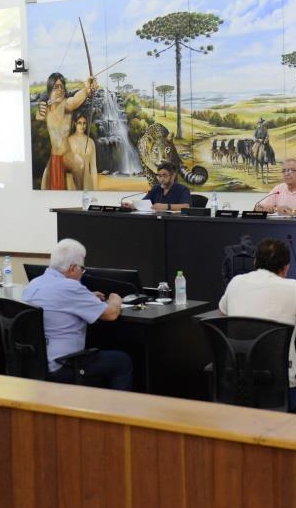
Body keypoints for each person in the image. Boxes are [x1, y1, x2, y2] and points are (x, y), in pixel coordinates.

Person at [218, 238, 296, 417]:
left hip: (239, 386)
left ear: (255, 262)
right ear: (286, 268)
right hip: (282, 392)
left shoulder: (236, 282)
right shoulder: (293, 288)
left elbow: (222, 314)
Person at [22, 239, 132, 391]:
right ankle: (117, 414)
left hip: (34, 364)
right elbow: (111, 314)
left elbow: (60, 300)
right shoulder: (70, 287)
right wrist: (115, 300)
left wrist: (87, 297)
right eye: (82, 268)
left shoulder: (35, 283)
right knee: (122, 362)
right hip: (64, 365)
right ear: (72, 268)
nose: (82, 272)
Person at [36, 72, 97, 190]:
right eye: (56, 87)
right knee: (47, 187)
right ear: (50, 90)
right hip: (53, 157)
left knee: (79, 164)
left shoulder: (66, 104)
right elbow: (39, 116)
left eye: (61, 86)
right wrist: (40, 110)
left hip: (66, 156)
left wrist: (87, 88)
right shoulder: (47, 108)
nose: (59, 90)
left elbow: (75, 100)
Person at [123, 161, 191, 212]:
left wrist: (166, 206)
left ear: (173, 176)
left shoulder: (182, 189)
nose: (161, 179)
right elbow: (144, 203)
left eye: (164, 176)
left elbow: (186, 206)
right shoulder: (156, 188)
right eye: (159, 176)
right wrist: (131, 205)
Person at [66, 112, 98, 190]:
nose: (82, 126)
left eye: (84, 123)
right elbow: (67, 170)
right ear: (75, 124)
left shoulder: (91, 142)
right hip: (74, 184)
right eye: (79, 123)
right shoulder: (69, 141)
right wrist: (69, 189)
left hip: (88, 184)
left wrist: (96, 189)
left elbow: (93, 168)